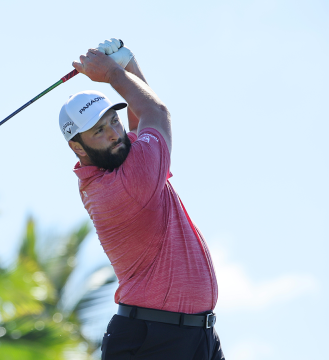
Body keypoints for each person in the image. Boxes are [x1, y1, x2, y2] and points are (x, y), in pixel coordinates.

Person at [59, 38, 225, 359]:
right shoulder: (124, 187)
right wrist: (113, 74)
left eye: (113, 121)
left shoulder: (110, 166)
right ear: (78, 148)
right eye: (98, 131)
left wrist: (128, 65)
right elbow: (155, 112)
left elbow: (140, 122)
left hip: (195, 337)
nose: (113, 134)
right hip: (151, 341)